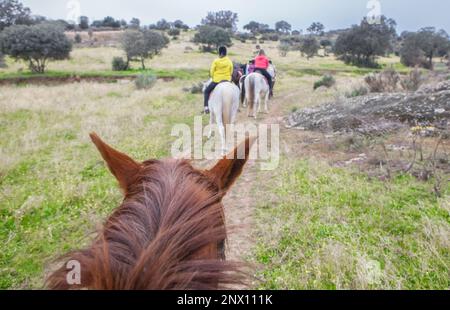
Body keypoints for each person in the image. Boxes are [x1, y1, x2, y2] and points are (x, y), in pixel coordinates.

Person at [203, 46, 233, 114]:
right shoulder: (229, 61)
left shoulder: (216, 61)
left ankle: (206, 107)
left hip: (217, 80)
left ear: (220, 53)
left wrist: (212, 76)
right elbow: (231, 71)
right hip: (227, 80)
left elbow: (211, 71)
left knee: (206, 91)